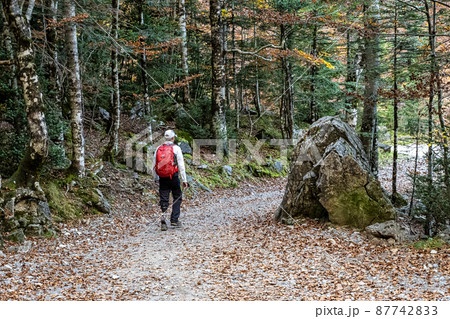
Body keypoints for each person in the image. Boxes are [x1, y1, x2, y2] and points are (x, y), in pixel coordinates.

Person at [153, 130, 188, 231]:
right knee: (177, 196)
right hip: (174, 176)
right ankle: (174, 220)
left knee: (164, 198)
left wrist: (155, 178)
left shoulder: (158, 148)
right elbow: (181, 165)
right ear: (173, 138)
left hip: (162, 178)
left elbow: (154, 165)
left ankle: (163, 218)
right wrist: (184, 180)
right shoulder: (176, 148)